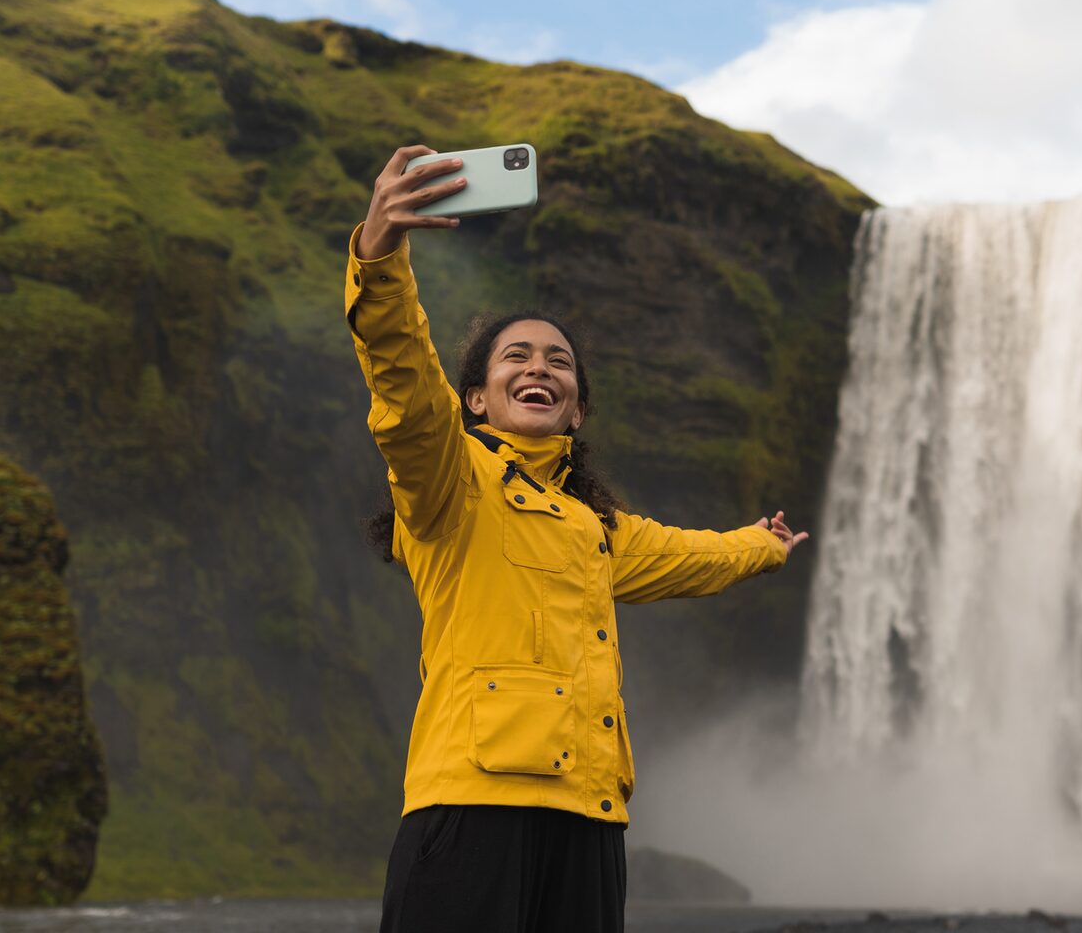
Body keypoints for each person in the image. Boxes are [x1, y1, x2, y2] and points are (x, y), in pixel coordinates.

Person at [345, 145, 810, 933]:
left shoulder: (596, 529)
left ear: (577, 409)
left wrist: (762, 546)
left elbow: (690, 555)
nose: (540, 368)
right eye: (516, 357)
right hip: (473, 804)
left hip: (591, 817)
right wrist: (379, 255)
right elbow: (403, 382)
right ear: (477, 400)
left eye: (558, 362)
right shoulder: (447, 481)